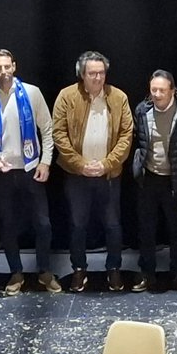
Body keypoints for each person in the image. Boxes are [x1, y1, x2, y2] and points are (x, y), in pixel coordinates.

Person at [0, 48, 60, 295]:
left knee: (43, 225)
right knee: (8, 225)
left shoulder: (31, 93)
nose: (3, 72)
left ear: (14, 66)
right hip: (3, 173)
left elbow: (48, 129)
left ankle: (44, 271)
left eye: (6, 66)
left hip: (32, 169)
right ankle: (16, 273)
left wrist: (45, 162)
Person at [52, 51, 133, 293]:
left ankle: (114, 269)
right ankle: (79, 270)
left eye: (101, 73)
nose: (97, 78)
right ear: (82, 74)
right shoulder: (67, 96)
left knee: (112, 225)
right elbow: (59, 134)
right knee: (78, 225)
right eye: (92, 73)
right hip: (77, 175)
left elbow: (127, 135)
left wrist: (106, 164)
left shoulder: (118, 97)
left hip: (109, 174)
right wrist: (81, 165)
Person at [130, 70, 177, 293]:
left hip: (176, 180)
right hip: (149, 178)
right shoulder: (142, 110)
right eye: (154, 90)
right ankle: (147, 273)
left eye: (162, 90)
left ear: (172, 90)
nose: (158, 94)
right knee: (146, 229)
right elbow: (137, 141)